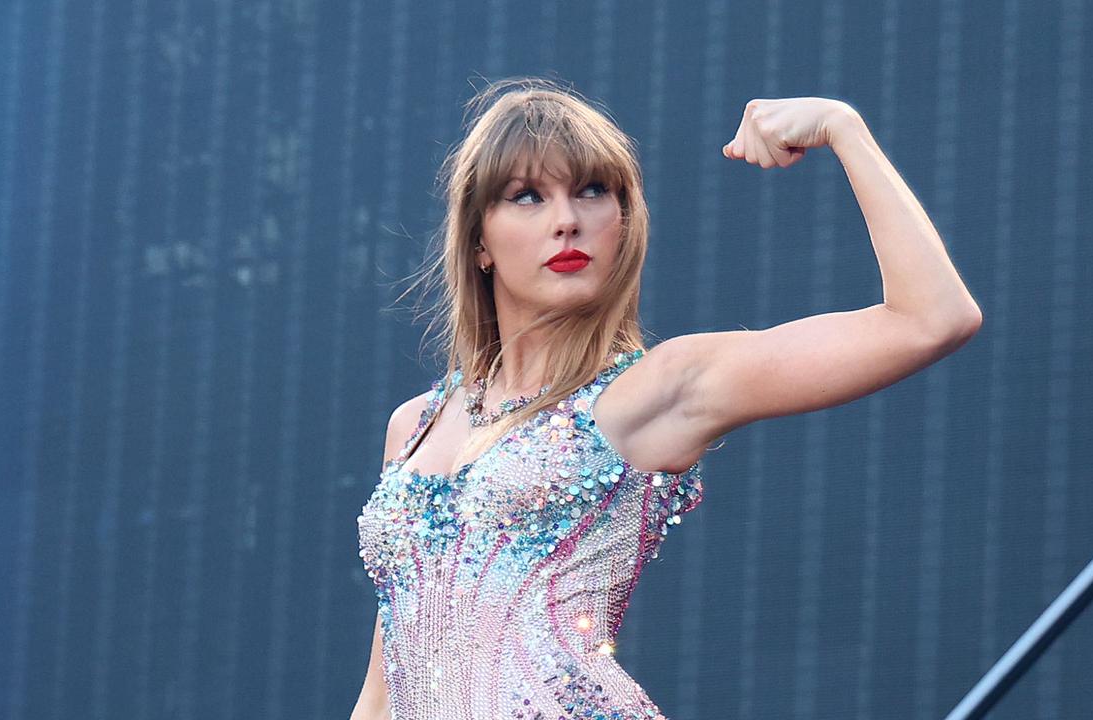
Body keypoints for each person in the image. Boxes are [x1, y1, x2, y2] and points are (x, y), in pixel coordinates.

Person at [353, 77, 981, 719]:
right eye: (527, 197)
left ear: (624, 222)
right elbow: (382, 691)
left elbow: (932, 319)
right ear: (479, 240)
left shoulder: (654, 389)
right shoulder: (415, 426)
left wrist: (843, 127)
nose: (567, 220)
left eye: (592, 191)